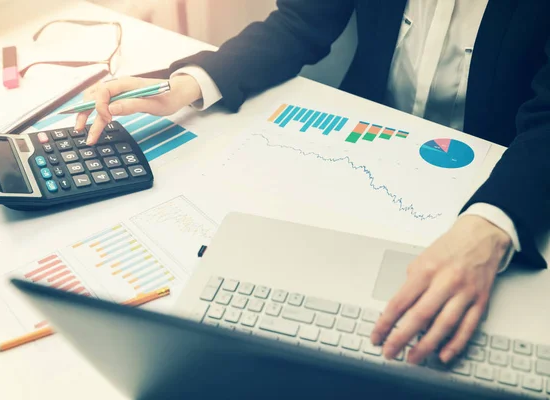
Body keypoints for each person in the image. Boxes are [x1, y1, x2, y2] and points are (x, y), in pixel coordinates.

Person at [77, 0, 550, 365]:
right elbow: (297, 24)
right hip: (364, 150)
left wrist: (492, 224)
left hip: (503, 170)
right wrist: (192, 83)